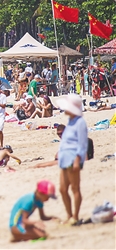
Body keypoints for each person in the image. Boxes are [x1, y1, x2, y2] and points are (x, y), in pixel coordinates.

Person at [56, 93, 88, 225]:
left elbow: (82, 143)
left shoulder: (80, 123)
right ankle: (69, 215)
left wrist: (77, 160)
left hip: (73, 158)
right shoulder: (71, 121)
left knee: (75, 188)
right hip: (64, 158)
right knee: (63, 189)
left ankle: (75, 216)